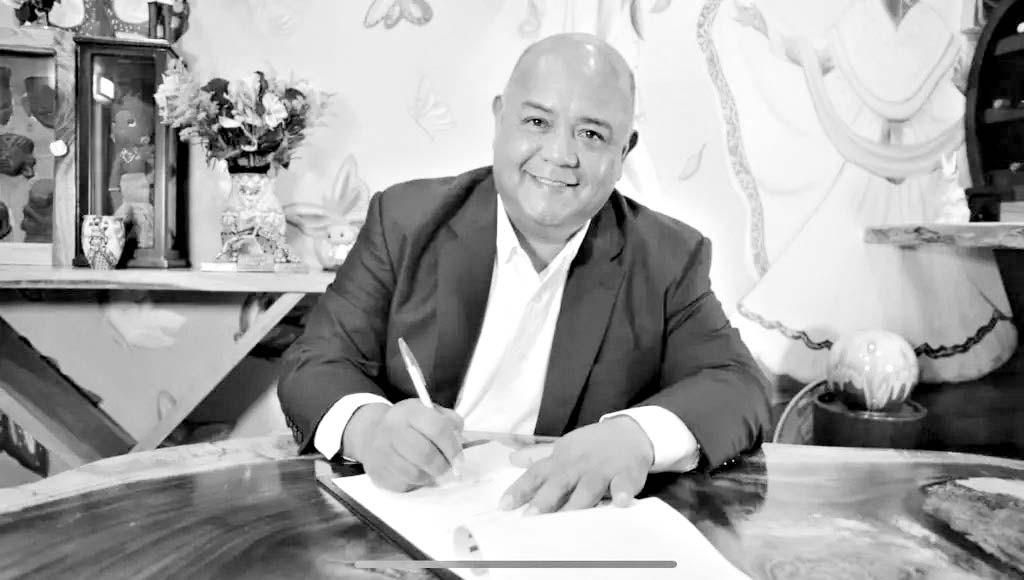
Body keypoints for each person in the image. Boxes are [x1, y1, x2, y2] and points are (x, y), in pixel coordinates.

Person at [278, 32, 771, 514]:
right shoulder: (404, 220)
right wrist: (370, 430)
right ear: (499, 119)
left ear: (624, 152)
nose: (559, 154)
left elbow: (737, 386)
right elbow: (316, 362)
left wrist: (636, 437)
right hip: (411, 513)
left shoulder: (668, 257)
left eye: (592, 134)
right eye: (537, 121)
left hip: (561, 524)